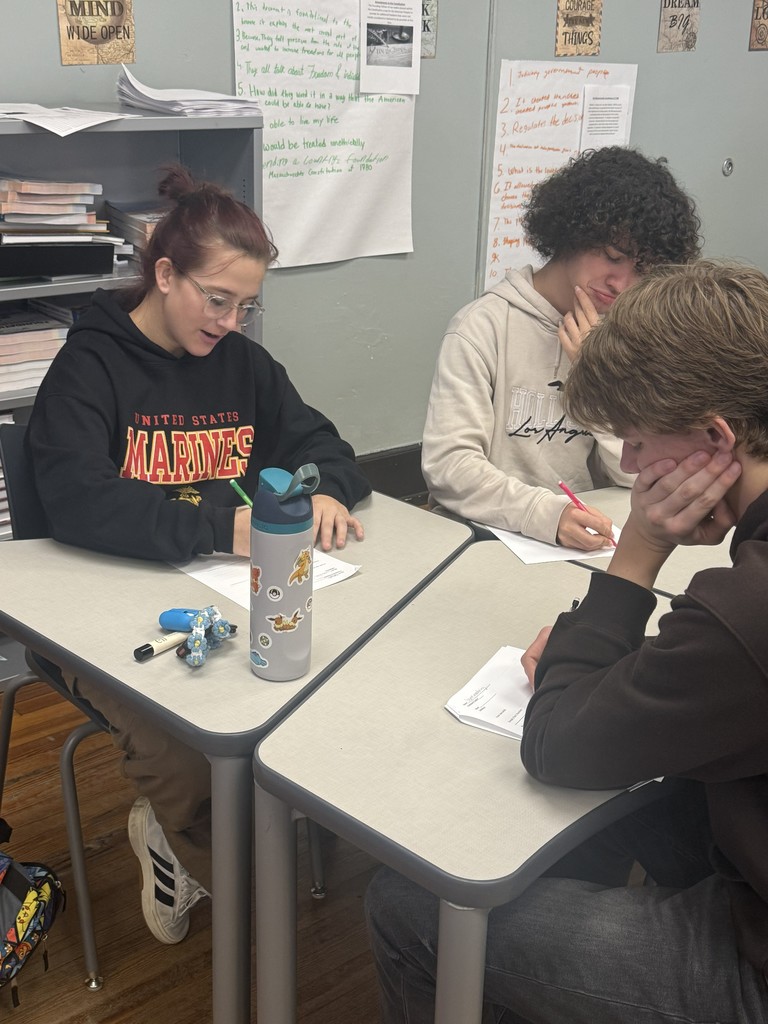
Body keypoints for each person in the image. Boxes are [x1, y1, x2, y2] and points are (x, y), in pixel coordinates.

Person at [365, 259, 768, 1023]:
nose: (636, 468)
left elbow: (554, 743)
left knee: (410, 907)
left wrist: (640, 549)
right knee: (650, 797)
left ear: (718, 437)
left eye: (640, 445)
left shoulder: (746, 612)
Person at [26, 165, 371, 944]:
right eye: (217, 300)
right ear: (165, 273)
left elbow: (325, 446)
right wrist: (223, 527)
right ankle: (214, 870)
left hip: (232, 601)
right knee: (187, 758)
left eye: (246, 307)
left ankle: (254, 847)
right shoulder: (92, 365)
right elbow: (77, 498)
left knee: (321, 689)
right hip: (104, 612)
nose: (230, 322)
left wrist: (323, 491)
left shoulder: (244, 366)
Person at [421, 146, 702, 551]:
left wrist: (600, 374)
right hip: (490, 536)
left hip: (585, 540)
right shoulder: (482, 327)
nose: (620, 283)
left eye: (640, 270)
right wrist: (545, 515)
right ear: (572, 234)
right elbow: (449, 468)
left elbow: (636, 474)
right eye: (612, 257)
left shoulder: (633, 334)